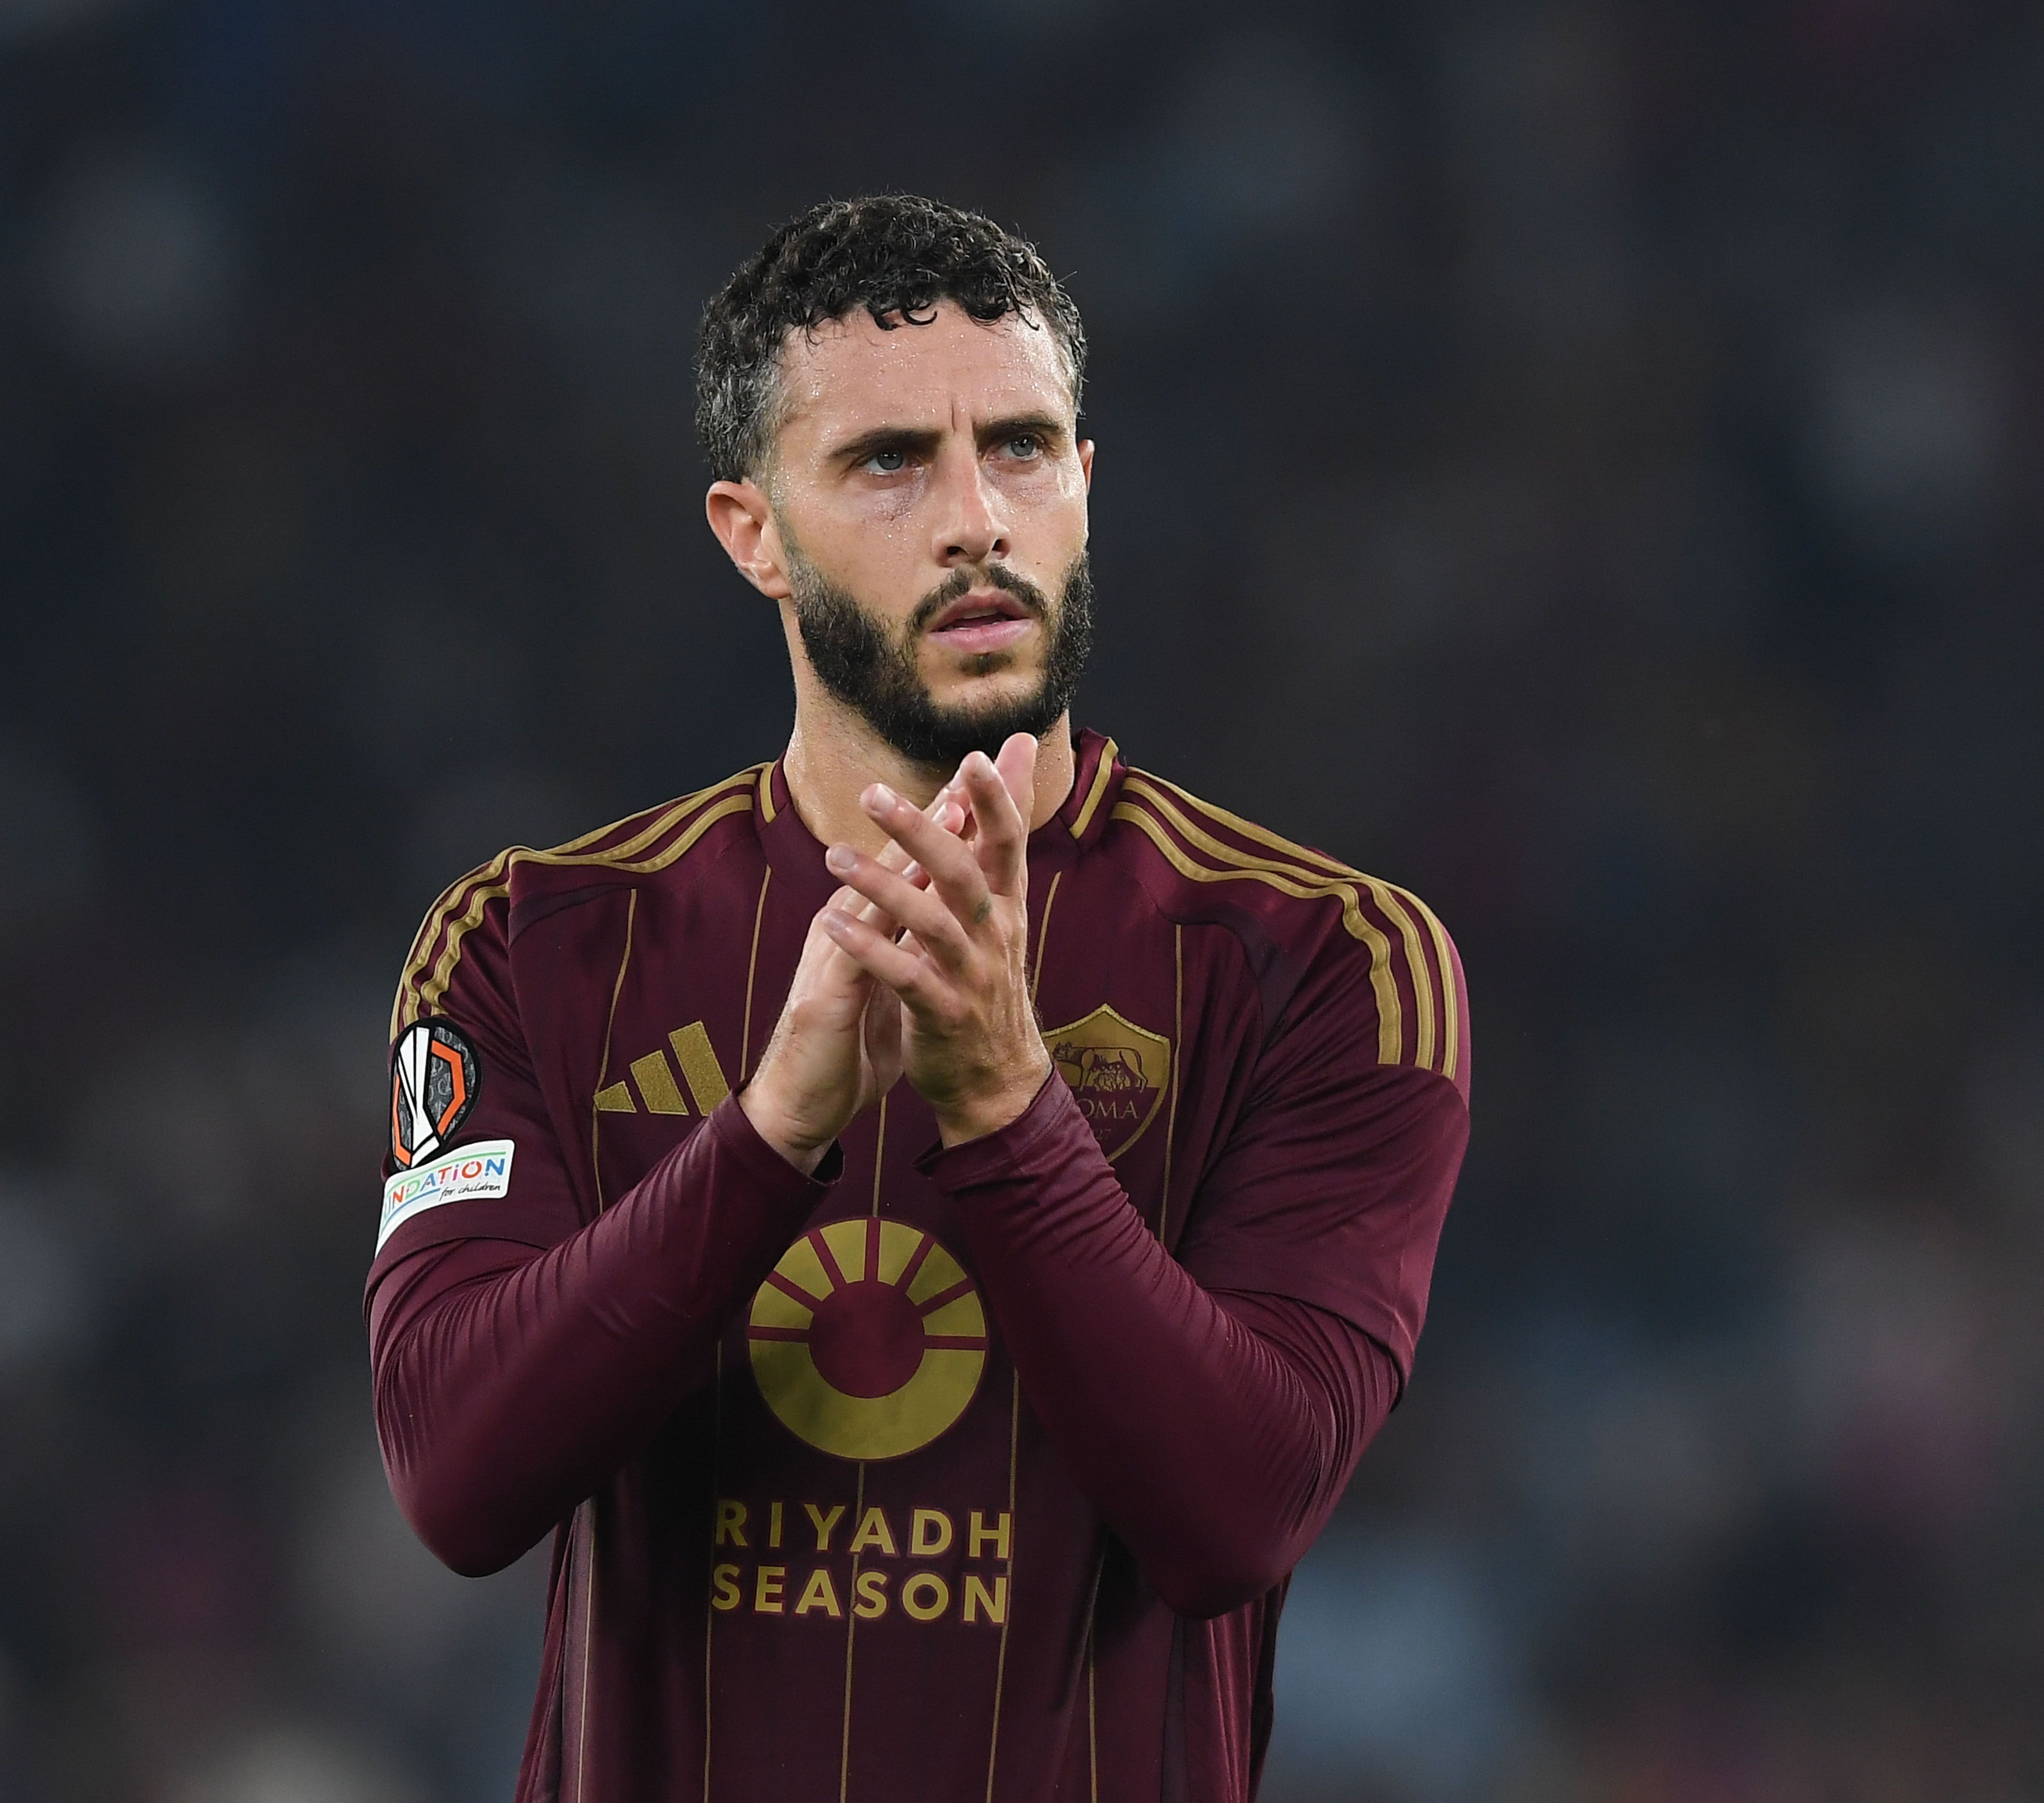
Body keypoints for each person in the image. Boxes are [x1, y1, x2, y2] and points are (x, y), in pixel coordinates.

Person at [367, 194, 1469, 1803]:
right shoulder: (526, 943)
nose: (977, 517)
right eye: (889, 463)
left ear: (1089, 484)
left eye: (1023, 448)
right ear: (754, 531)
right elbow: (458, 1478)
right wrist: (774, 1129)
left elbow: (1238, 1512)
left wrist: (1005, 1104)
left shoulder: (1329, 960)